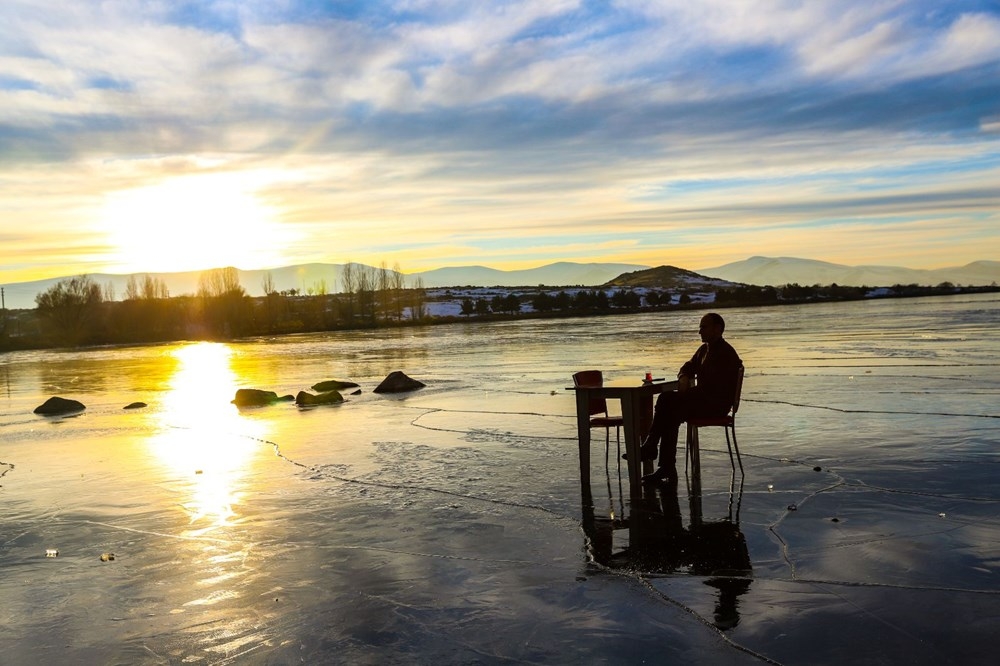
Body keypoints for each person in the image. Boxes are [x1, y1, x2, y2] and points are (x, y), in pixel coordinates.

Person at [640, 312, 742, 484]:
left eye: (704, 327)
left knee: (667, 401)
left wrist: (685, 394)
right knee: (669, 409)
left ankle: (655, 452)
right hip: (702, 401)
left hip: (715, 406)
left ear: (717, 329)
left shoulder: (726, 354)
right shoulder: (704, 350)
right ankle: (661, 461)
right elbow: (688, 366)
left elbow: (714, 389)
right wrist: (683, 377)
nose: (699, 331)